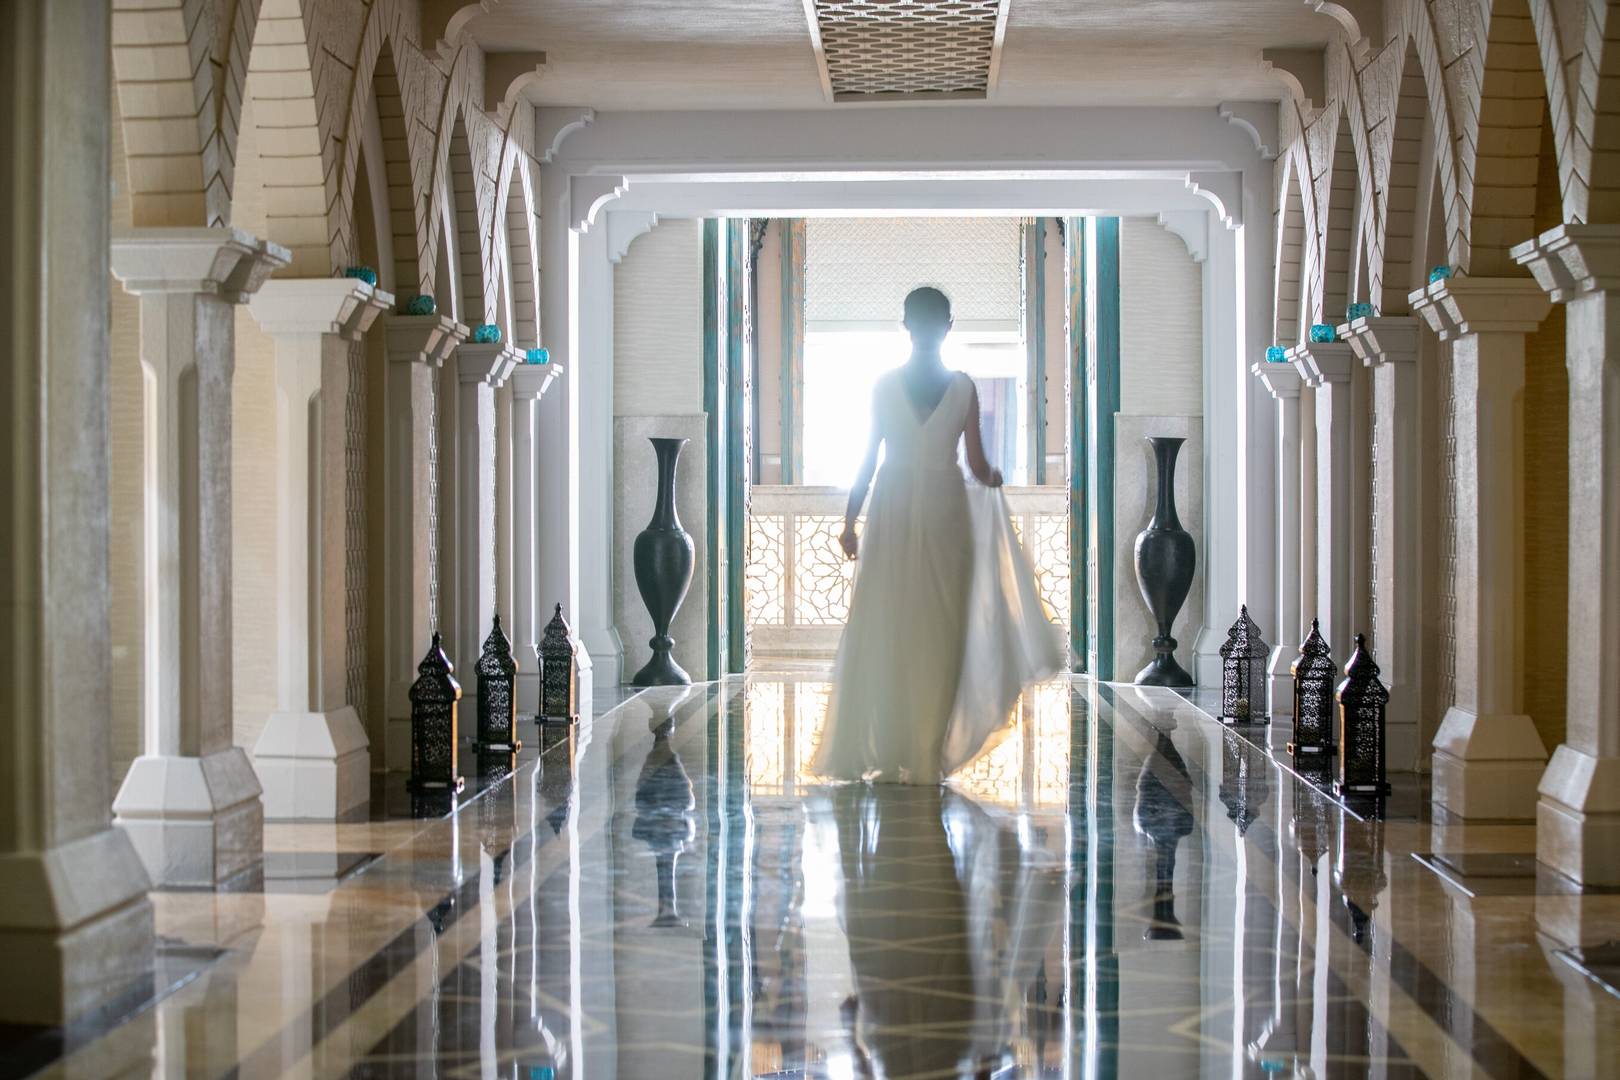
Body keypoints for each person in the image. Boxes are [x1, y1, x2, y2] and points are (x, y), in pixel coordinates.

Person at [810, 286, 1063, 785]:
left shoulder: (884, 385)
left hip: (894, 509)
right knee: (942, 631)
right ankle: (926, 753)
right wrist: (994, 481)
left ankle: (888, 750)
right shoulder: (963, 387)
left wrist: (849, 521)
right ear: (948, 325)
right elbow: (977, 465)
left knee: (887, 627)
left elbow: (868, 459)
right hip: (946, 513)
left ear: (906, 324)